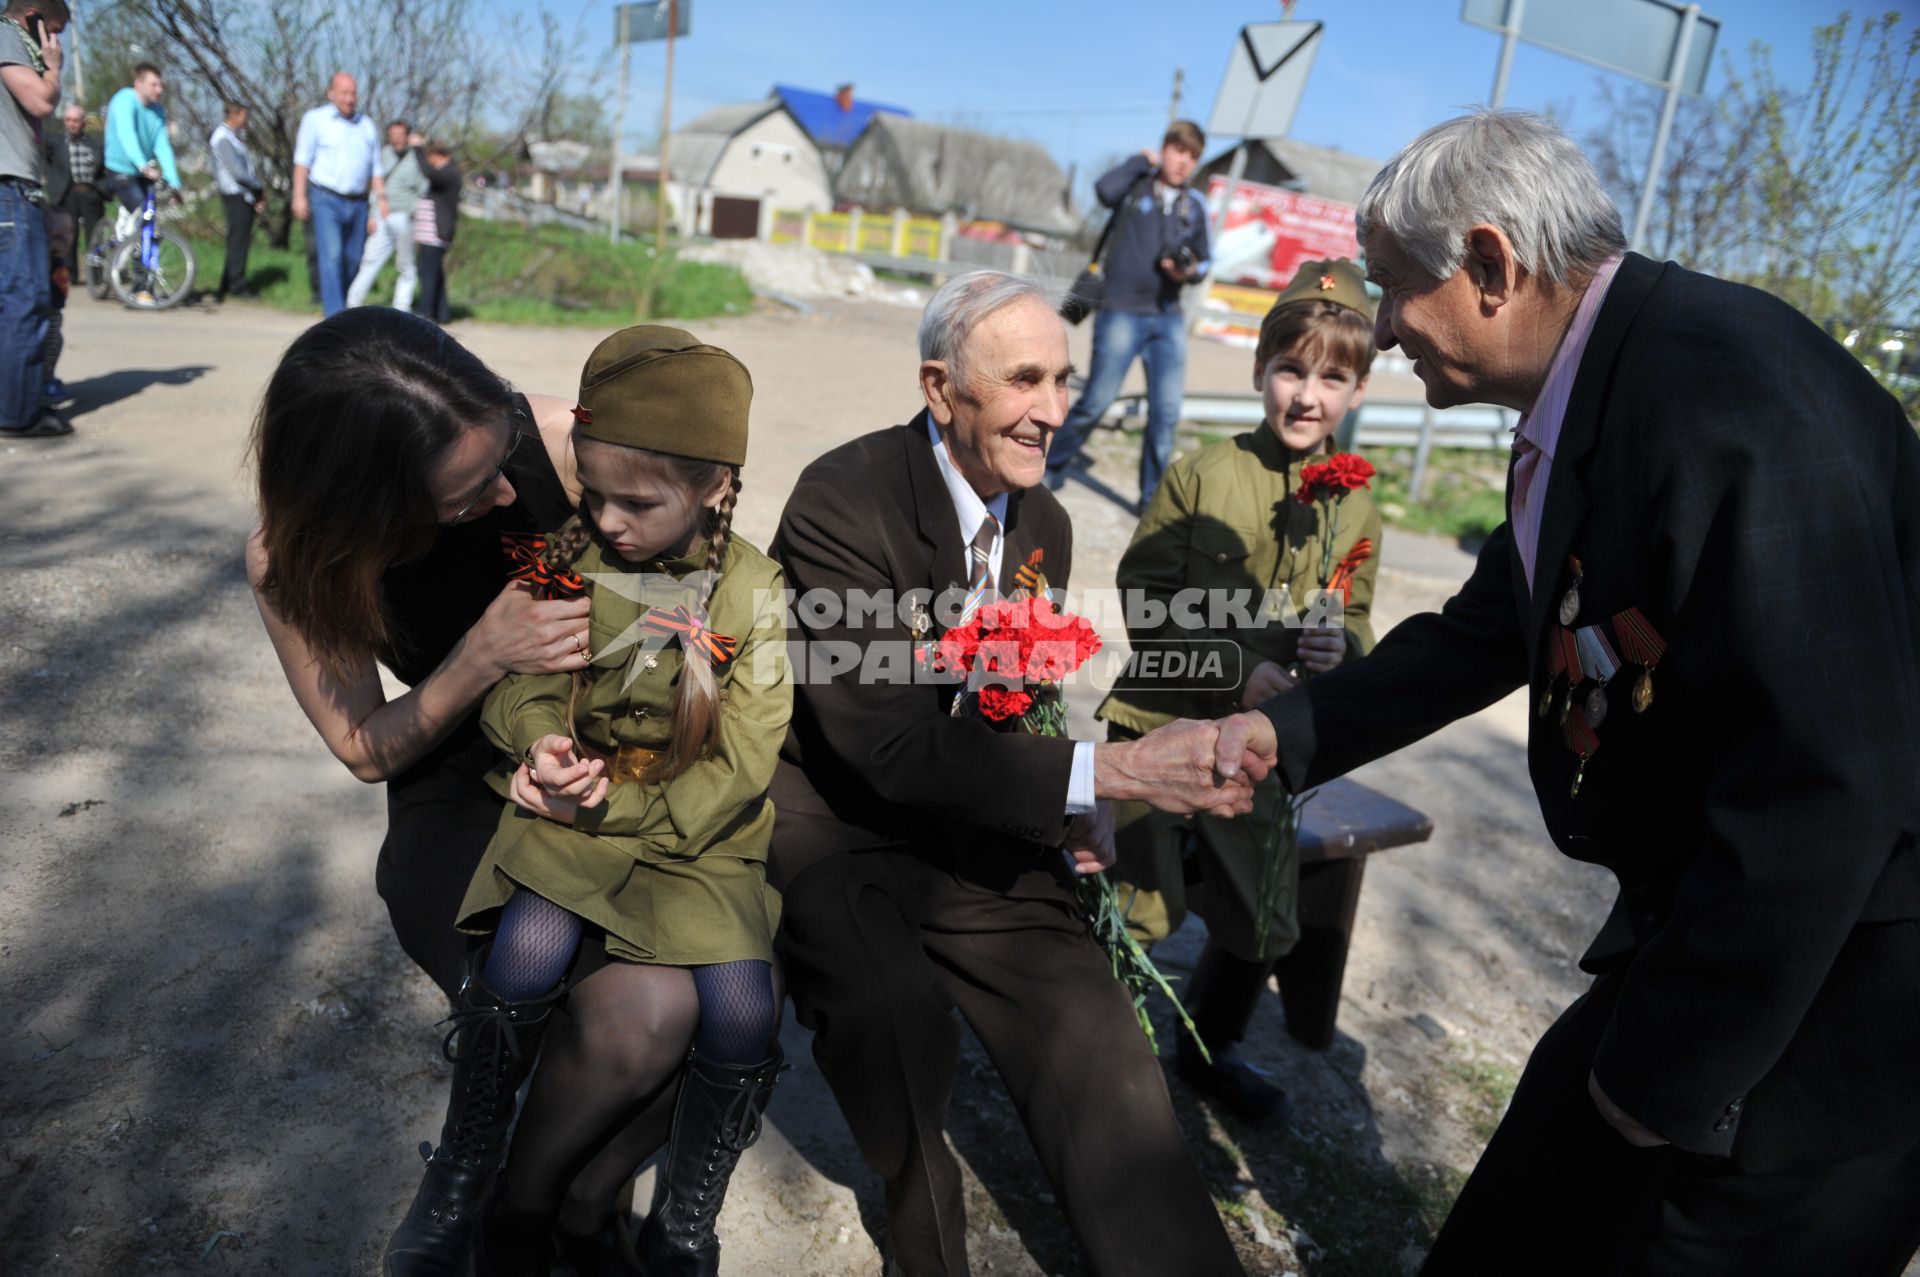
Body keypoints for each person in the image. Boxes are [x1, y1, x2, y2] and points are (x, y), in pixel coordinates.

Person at [1212, 110, 1920, 1275]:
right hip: (1720, 926)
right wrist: (1275, 732)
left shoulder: (1730, 397)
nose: (1382, 329)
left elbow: (1829, 777)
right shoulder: (1606, 384)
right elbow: (1492, 625)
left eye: (1394, 287)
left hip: (1833, 1001)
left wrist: (1674, 1068)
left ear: (1493, 265)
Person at [768, 270, 1257, 1277]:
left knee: (1098, 1030)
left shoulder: (1046, 524)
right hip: (840, 820)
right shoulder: (842, 499)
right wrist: (1106, 769)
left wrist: (1074, 802)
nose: (1052, 411)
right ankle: (925, 1236)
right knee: (893, 1020)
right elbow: (886, 744)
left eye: (1064, 381)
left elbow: (1015, 695)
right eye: (1025, 380)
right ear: (942, 388)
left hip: (977, 816)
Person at [246, 309, 700, 1277]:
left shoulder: (564, 447)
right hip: (454, 798)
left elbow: (702, 606)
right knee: (575, 999)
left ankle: (562, 1198)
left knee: (682, 1001)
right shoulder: (298, 561)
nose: (504, 491)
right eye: (463, 497)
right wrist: (478, 658)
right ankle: (476, 1168)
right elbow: (366, 749)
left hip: (607, 766)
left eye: (501, 461)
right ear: (368, 509)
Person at [456, 325, 788, 1277]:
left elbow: (742, 758)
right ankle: (484, 1170)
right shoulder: (573, 553)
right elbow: (520, 680)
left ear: (716, 485)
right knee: (526, 952)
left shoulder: (755, 592)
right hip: (577, 807)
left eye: (636, 502)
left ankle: (685, 1219)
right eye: (593, 493)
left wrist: (616, 808)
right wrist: (540, 744)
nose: (607, 520)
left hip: (697, 833)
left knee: (742, 1008)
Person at [1101, 258, 1381, 1123]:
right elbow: (1144, 600)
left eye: (1332, 378)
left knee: (1261, 920)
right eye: (1291, 370)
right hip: (1162, 717)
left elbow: (1363, 618)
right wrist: (1234, 665)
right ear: (1261, 370)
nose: (1307, 395)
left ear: (1359, 388)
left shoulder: (1359, 502)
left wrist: (1344, 648)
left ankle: (1206, 1051)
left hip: (1259, 751)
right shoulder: (1202, 474)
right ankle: (1105, 1068)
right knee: (1139, 906)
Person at [1043, 119, 1212, 509]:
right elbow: (1103, 191)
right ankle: (1051, 465)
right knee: (1097, 400)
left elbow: (1204, 261)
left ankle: (1150, 499)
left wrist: (1187, 271)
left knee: (1167, 412)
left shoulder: (1194, 206)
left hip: (1167, 317)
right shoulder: (1136, 186)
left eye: (1192, 156)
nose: (1184, 162)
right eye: (1178, 151)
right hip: (1120, 310)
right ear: (1164, 148)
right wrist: (1139, 161)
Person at [0, 0, 67, 438]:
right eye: (54, 30)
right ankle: (17, 414)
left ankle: (15, 400)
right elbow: (41, 99)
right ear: (35, 18)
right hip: (10, 189)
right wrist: (54, 66)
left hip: (18, 190)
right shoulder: (7, 36)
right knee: (24, 303)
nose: (56, 41)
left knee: (20, 302)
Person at [292, 71, 383, 317]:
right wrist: (298, 195)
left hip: (359, 202)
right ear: (331, 93)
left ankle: (346, 304)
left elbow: (376, 169)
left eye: (353, 93)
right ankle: (335, 314)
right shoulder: (316, 119)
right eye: (344, 93)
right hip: (325, 198)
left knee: (354, 259)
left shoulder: (366, 125)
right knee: (331, 255)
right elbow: (302, 160)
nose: (350, 98)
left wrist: (380, 203)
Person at [347, 120, 425, 310]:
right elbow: (376, 185)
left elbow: (424, 188)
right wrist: (373, 214)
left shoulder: (417, 158)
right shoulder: (383, 155)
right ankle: (352, 305)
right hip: (383, 214)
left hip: (405, 216)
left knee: (406, 266)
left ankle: (402, 309)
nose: (397, 138)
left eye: (401, 134)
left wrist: (412, 209)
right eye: (393, 134)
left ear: (408, 136)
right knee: (370, 260)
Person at [102, 63, 180, 213]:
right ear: (138, 84)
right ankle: (126, 232)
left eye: (160, 85)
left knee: (151, 213)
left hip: (142, 170)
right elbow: (127, 134)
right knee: (142, 211)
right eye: (154, 85)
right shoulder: (124, 100)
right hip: (120, 168)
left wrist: (173, 182)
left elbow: (162, 146)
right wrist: (143, 165)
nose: (159, 90)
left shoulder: (158, 111)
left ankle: (130, 226)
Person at [208, 101, 264, 301]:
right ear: (236, 114)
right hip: (236, 195)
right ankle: (237, 285)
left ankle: (227, 283)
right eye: (245, 116)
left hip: (242, 195)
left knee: (237, 241)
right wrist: (258, 188)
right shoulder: (223, 138)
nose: (246, 120)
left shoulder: (231, 137)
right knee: (238, 241)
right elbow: (238, 173)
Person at [41, 101, 101, 268]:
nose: (71, 124)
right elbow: (45, 161)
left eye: (75, 120)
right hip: (67, 192)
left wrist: (101, 188)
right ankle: (69, 273)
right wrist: (51, 180)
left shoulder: (95, 143)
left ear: (83, 122)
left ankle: (96, 273)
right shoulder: (56, 142)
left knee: (94, 235)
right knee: (68, 233)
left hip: (90, 192)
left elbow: (103, 168)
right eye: (68, 120)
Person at [411, 139, 459, 324]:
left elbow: (428, 173)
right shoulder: (447, 173)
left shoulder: (449, 173)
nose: (429, 161)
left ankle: (425, 314)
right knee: (435, 273)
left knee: (427, 273)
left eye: (431, 157)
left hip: (436, 235)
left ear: (441, 156)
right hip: (430, 235)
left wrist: (417, 149)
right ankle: (442, 313)